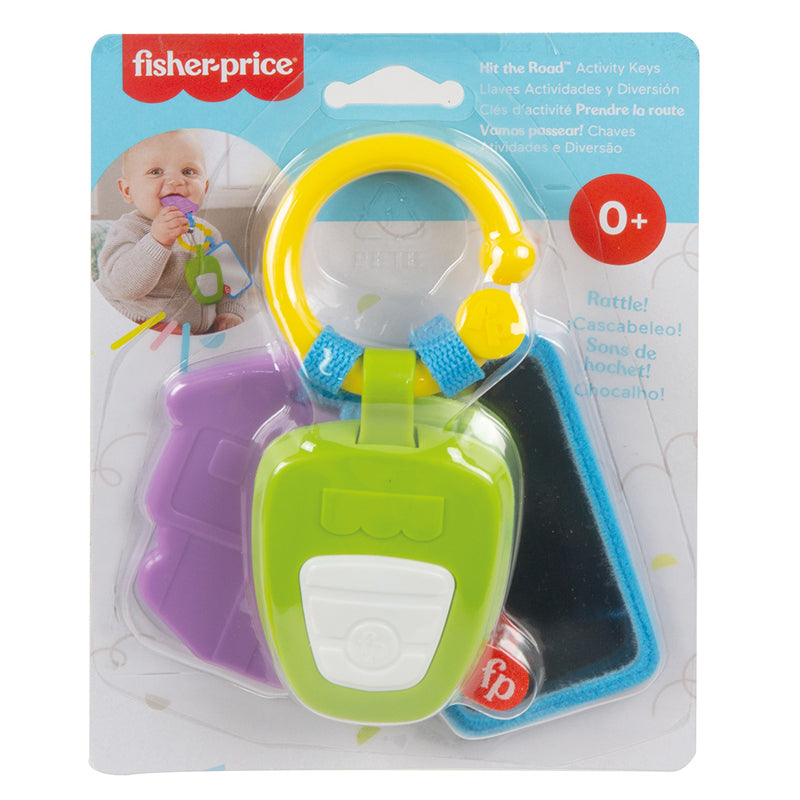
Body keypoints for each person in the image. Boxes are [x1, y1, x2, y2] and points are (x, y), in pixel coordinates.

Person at [96, 130, 245, 334]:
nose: (176, 181)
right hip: (135, 328)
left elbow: (234, 280)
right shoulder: (127, 230)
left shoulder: (209, 233)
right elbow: (123, 287)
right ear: (127, 190)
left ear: (205, 187)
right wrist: (157, 242)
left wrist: (231, 312)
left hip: (194, 335)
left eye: (188, 172)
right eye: (156, 172)